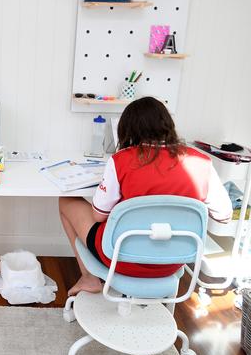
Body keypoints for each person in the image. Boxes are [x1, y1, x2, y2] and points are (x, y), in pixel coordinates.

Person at [58, 97, 232, 296]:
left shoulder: (121, 160)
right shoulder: (201, 162)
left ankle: (89, 278)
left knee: (66, 201)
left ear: (127, 129)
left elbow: (98, 216)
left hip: (121, 259)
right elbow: (225, 215)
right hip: (173, 262)